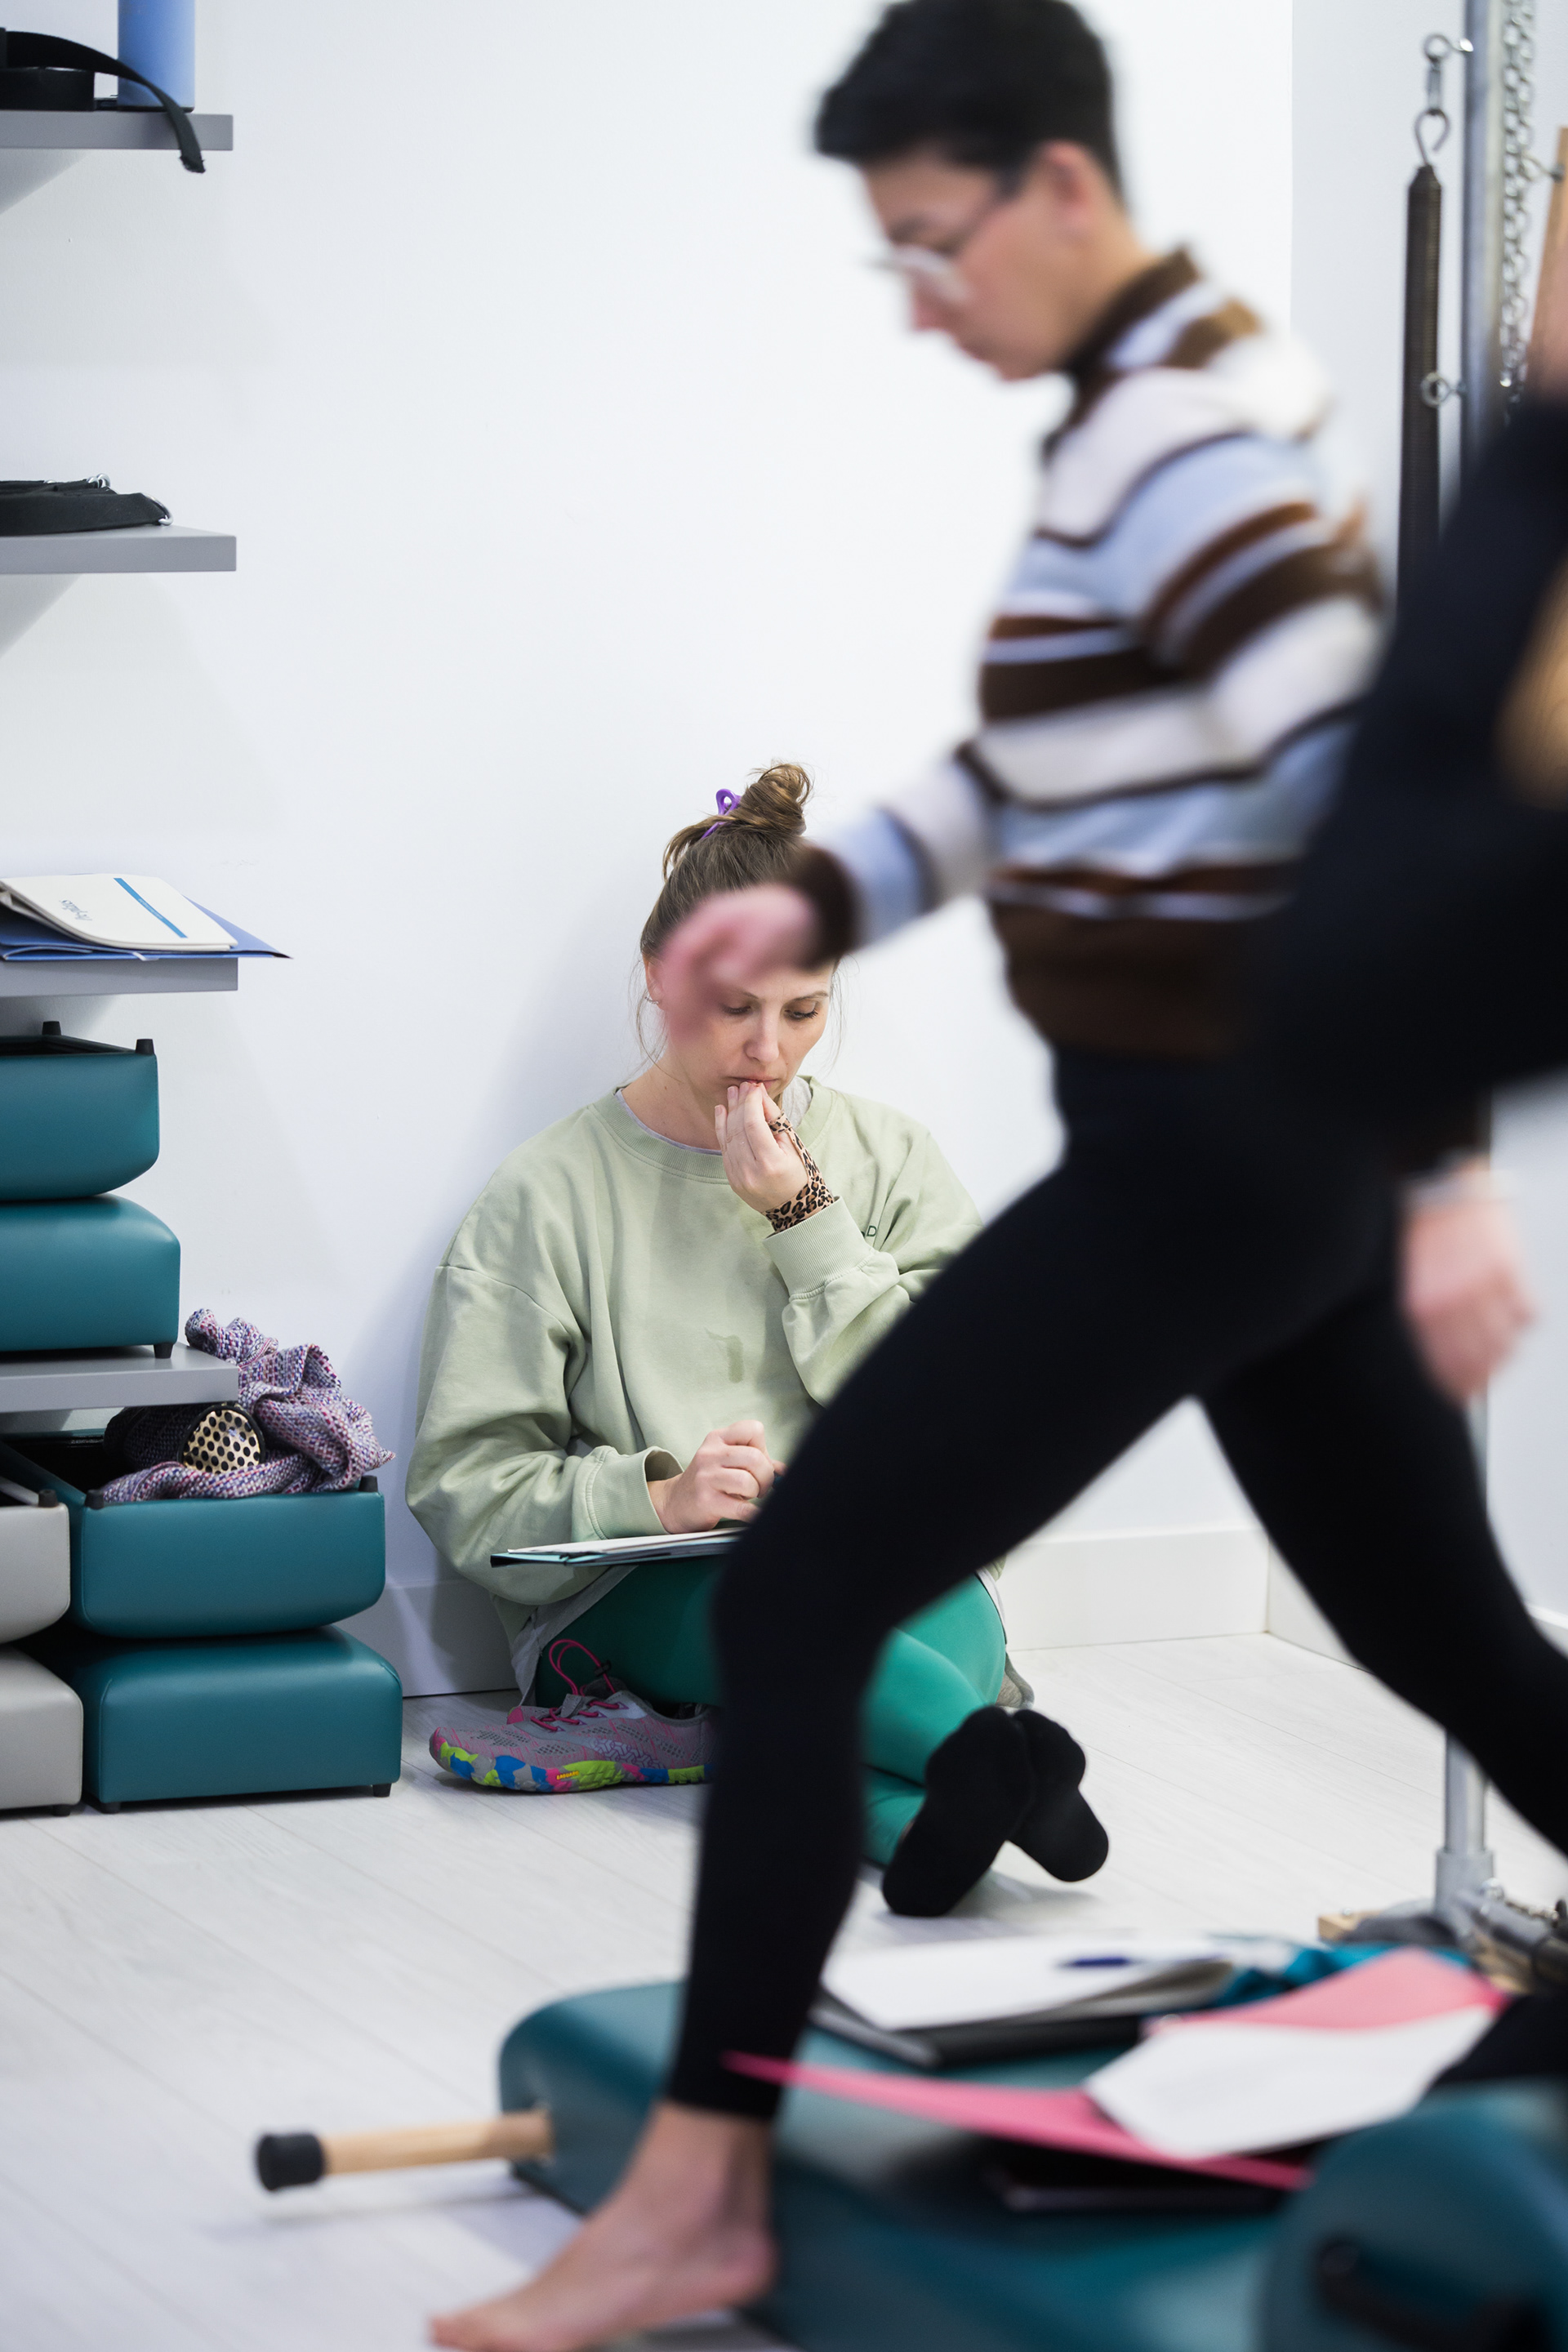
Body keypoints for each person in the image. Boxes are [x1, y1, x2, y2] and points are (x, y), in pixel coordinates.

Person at [430, 5, 1557, 2345]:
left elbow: (1368, 806)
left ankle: (705, 2191)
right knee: (1448, 1641)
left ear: (1057, 188)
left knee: (804, 1592)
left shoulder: (1191, 448)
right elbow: (1020, 770)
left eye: (936, 246)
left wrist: (1437, 1166)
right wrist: (828, 900)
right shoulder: (1130, 419)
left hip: (1220, 1142)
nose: (921, 301)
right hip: (1247, 1149)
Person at [407, 763, 1107, 1903]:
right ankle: (990, 1760)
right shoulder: (546, 1194)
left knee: (916, 1617)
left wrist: (806, 1221)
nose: (768, 1050)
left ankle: (929, 1818)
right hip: (647, 1591)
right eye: (733, 1008)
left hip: (878, 1555)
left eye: (804, 1011)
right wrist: (660, 1497)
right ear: (659, 978)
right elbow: (465, 1487)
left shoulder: (888, 1159)